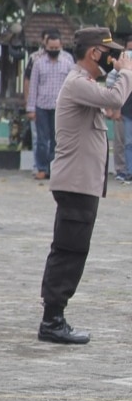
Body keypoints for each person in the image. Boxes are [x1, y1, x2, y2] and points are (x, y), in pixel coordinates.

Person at [35, 27, 132, 344]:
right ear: (94, 53)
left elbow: (110, 104)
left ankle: (55, 318)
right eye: (110, 53)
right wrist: (127, 72)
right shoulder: (77, 82)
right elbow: (115, 98)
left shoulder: (84, 83)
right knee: (68, 251)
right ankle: (52, 321)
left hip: (81, 185)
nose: (114, 59)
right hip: (76, 185)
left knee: (72, 250)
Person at [25, 30, 72, 181]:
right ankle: (42, 168)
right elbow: (33, 87)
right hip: (42, 107)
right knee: (42, 140)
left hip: (60, 108)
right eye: (50, 48)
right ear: (45, 46)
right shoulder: (38, 63)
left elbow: (71, 87)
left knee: (57, 141)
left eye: (56, 48)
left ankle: (55, 170)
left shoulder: (67, 63)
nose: (53, 51)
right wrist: (30, 109)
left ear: (61, 45)